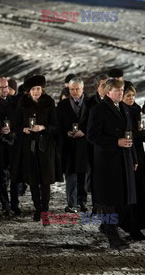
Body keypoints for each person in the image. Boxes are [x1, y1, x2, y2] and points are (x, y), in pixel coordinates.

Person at [87, 78, 137, 250]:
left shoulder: (124, 108)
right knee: (109, 201)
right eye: (117, 91)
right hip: (107, 162)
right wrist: (116, 142)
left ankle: (106, 226)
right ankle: (114, 238)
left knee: (124, 201)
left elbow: (130, 135)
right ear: (108, 92)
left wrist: (134, 158)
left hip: (124, 159)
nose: (121, 93)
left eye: (122, 90)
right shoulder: (97, 110)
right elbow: (92, 136)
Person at [12, 75, 61, 223]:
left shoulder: (49, 102)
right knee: (32, 180)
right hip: (28, 145)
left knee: (45, 180)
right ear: (28, 91)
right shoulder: (22, 103)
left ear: (42, 89)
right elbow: (15, 124)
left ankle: (45, 211)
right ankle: (37, 209)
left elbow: (56, 126)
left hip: (45, 145)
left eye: (38, 89)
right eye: (33, 89)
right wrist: (24, 129)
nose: (36, 92)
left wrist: (43, 127)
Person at [122, 83, 145, 240]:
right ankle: (130, 225)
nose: (131, 98)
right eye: (128, 96)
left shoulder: (136, 109)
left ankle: (139, 223)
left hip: (138, 152)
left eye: (133, 95)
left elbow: (140, 135)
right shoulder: (121, 110)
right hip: (128, 151)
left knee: (142, 187)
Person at [56, 77, 90, 213]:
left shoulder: (90, 103)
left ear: (83, 89)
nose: (74, 92)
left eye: (77, 89)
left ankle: (83, 202)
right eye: (72, 89)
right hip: (68, 146)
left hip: (84, 145)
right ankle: (71, 203)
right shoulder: (62, 105)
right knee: (70, 175)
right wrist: (66, 132)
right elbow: (58, 124)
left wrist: (85, 131)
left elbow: (94, 122)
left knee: (83, 175)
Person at [0, 77, 20, 217]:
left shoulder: (14, 102)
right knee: (2, 177)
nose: (4, 90)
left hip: (13, 143)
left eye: (6, 87)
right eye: (1, 87)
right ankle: (5, 204)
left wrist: (12, 131)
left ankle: (15, 203)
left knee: (15, 176)